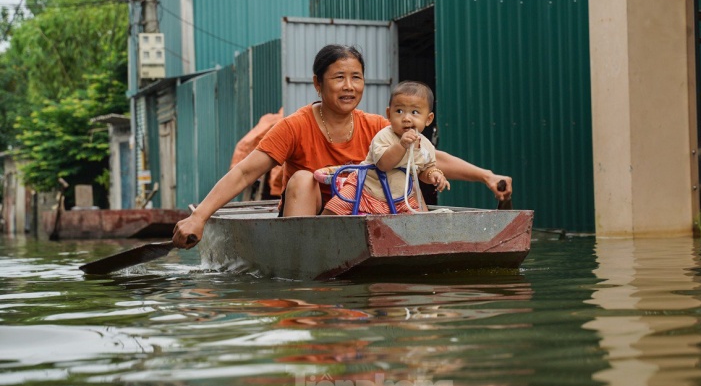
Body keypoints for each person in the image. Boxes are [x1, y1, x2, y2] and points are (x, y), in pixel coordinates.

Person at [172, 44, 512, 248]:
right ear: (318, 84)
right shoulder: (295, 125)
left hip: (363, 223)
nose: (349, 86)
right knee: (304, 178)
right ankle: (302, 261)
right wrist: (199, 217)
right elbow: (245, 171)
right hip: (309, 225)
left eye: (356, 77)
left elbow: (430, 156)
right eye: (338, 78)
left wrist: (485, 176)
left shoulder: (378, 127)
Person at [322, 80, 449, 215]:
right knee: (336, 207)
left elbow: (424, 169)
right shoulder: (384, 136)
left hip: (401, 198)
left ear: (428, 119)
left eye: (415, 112)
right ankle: (319, 231)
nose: (406, 118)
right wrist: (402, 146)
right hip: (365, 188)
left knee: (417, 223)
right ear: (389, 114)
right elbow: (383, 164)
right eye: (399, 111)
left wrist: (434, 175)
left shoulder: (426, 146)